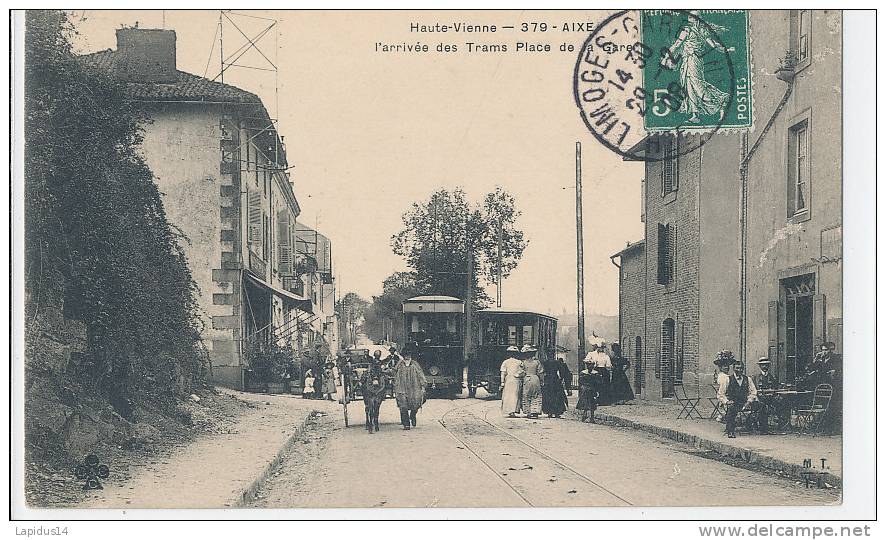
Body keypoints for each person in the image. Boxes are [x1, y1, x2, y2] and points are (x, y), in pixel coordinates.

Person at [718, 357, 762, 438]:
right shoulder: (727, 379)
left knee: (760, 405)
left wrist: (749, 401)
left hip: (745, 402)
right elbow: (721, 394)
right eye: (737, 368)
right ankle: (730, 431)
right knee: (731, 409)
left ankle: (756, 426)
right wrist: (727, 402)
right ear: (734, 369)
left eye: (741, 368)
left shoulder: (747, 379)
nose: (740, 370)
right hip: (734, 402)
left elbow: (753, 392)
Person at [393, 343, 427, 430]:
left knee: (416, 404)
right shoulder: (399, 364)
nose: (407, 356)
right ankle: (406, 424)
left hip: (414, 388)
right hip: (402, 388)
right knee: (403, 406)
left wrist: (423, 386)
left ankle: (413, 415)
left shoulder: (415, 364)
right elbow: (393, 373)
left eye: (408, 354)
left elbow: (421, 375)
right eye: (405, 355)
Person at [360, 353, 387, 433]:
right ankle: (370, 422)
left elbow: (385, 364)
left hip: (379, 376)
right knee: (370, 406)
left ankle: (375, 421)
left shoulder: (380, 363)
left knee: (386, 380)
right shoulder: (371, 361)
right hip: (371, 378)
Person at [753, 357, 780, 431]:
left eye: (766, 365)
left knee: (782, 402)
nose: (765, 367)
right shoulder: (755, 377)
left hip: (770, 398)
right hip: (759, 398)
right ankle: (763, 427)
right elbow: (753, 389)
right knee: (761, 405)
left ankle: (781, 423)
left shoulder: (772, 377)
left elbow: (775, 388)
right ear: (760, 366)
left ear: (768, 366)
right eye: (763, 365)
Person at [499, 346, 525, 418]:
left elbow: (503, 373)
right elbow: (522, 372)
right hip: (516, 380)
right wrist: (518, 375)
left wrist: (502, 382)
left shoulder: (505, 362)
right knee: (515, 395)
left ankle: (509, 411)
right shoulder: (519, 362)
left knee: (507, 395)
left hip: (508, 380)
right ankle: (513, 411)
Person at [576, 357, 603, 423]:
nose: (589, 366)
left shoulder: (596, 373)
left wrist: (597, 390)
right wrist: (582, 387)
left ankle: (592, 417)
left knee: (592, 403)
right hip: (585, 389)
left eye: (591, 365)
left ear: (593, 365)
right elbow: (580, 381)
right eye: (588, 364)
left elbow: (599, 383)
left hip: (592, 389)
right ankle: (584, 414)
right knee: (585, 402)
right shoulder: (583, 373)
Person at [520, 345, 544, 418]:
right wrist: (542, 381)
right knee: (536, 395)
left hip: (527, 379)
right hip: (535, 378)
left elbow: (522, 372)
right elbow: (540, 372)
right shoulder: (537, 362)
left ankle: (528, 412)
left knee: (526, 395)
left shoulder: (523, 362)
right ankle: (535, 411)